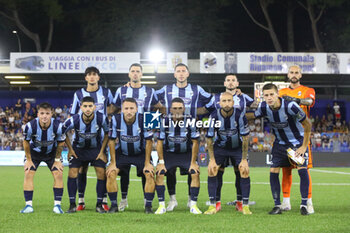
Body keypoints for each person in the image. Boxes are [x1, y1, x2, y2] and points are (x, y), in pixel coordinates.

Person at [156, 63, 212, 211]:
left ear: (188, 74)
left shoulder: (196, 89)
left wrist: (201, 111)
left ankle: (190, 200)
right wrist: (131, 87)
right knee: (170, 171)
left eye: (183, 71)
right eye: (178, 71)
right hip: (170, 131)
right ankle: (172, 200)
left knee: (191, 168)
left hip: (189, 130)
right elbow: (150, 97)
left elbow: (213, 101)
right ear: (174, 74)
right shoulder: (166, 89)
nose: (181, 73)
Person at [250, 83, 312, 215]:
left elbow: (308, 124)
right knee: (273, 170)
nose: (269, 97)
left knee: (302, 170)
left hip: (296, 143)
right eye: (266, 95)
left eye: (272, 94)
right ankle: (277, 205)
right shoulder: (263, 107)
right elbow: (252, 116)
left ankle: (304, 204)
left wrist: (304, 146)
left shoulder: (290, 106)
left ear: (277, 94)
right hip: (279, 144)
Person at [198, 74, 254, 212]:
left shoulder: (240, 114)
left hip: (237, 147)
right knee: (213, 170)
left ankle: (243, 204)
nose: (227, 103)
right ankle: (214, 204)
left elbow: (246, 138)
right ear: (220, 102)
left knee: (243, 170)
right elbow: (209, 138)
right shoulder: (213, 115)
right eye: (224, 101)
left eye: (230, 101)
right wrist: (211, 159)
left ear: (233, 102)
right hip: (220, 147)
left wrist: (244, 159)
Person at [112, 63, 161, 211]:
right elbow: (114, 108)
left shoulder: (149, 91)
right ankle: (123, 200)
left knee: (146, 171)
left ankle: (147, 203)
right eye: (132, 71)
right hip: (125, 134)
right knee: (124, 172)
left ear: (141, 74)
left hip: (142, 133)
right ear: (129, 74)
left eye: (137, 71)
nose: (135, 74)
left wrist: (153, 122)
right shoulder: (121, 90)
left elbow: (159, 107)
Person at [70, 66, 113, 211]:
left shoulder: (106, 93)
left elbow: (115, 106)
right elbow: (73, 115)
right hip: (81, 141)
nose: (92, 77)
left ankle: (103, 201)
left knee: (102, 171)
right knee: (82, 170)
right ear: (86, 78)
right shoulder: (78, 94)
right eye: (89, 75)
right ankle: (80, 201)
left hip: (100, 142)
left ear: (98, 77)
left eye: (95, 74)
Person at [106, 98, 155, 214]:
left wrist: (147, 163)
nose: (129, 111)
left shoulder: (144, 119)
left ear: (137, 109)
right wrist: (112, 163)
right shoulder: (115, 119)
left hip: (140, 154)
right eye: (126, 108)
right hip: (122, 153)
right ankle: (113, 205)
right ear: (122, 110)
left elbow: (149, 142)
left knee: (149, 174)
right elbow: (111, 141)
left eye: (132, 108)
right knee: (111, 173)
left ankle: (148, 206)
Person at [154, 98, 202, 214]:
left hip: (186, 154)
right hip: (169, 154)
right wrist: (161, 161)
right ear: (170, 109)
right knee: (160, 173)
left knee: (194, 172)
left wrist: (194, 161)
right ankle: (165, 204)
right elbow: (159, 142)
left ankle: (193, 204)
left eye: (180, 108)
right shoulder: (164, 121)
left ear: (184, 109)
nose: (177, 111)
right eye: (175, 108)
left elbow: (195, 142)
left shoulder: (191, 120)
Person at [63, 96, 109, 213]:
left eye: (90, 106)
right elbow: (61, 131)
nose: (88, 109)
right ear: (81, 107)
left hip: (96, 149)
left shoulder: (101, 118)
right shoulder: (74, 119)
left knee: (101, 173)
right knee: (73, 172)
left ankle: (99, 204)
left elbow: (108, 133)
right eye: (85, 106)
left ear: (94, 107)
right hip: (78, 149)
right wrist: (70, 149)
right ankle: (73, 204)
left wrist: (102, 151)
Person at [279, 65, 316, 214]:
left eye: (297, 73)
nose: (294, 75)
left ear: (300, 75)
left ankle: (308, 202)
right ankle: (286, 202)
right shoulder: (281, 92)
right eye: (291, 72)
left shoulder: (308, 90)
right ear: (288, 74)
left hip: (302, 137)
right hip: (285, 136)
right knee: (286, 170)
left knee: (304, 171)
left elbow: (309, 101)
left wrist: (295, 99)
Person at [20, 102, 65, 214]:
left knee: (58, 174)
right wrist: (29, 160)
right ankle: (28, 206)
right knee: (28, 173)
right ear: (38, 114)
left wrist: (57, 160)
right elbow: (25, 142)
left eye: (47, 113)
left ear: (51, 114)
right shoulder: (30, 126)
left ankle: (57, 206)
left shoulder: (58, 126)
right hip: (34, 153)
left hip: (52, 154)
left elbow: (60, 143)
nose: (44, 116)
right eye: (42, 113)